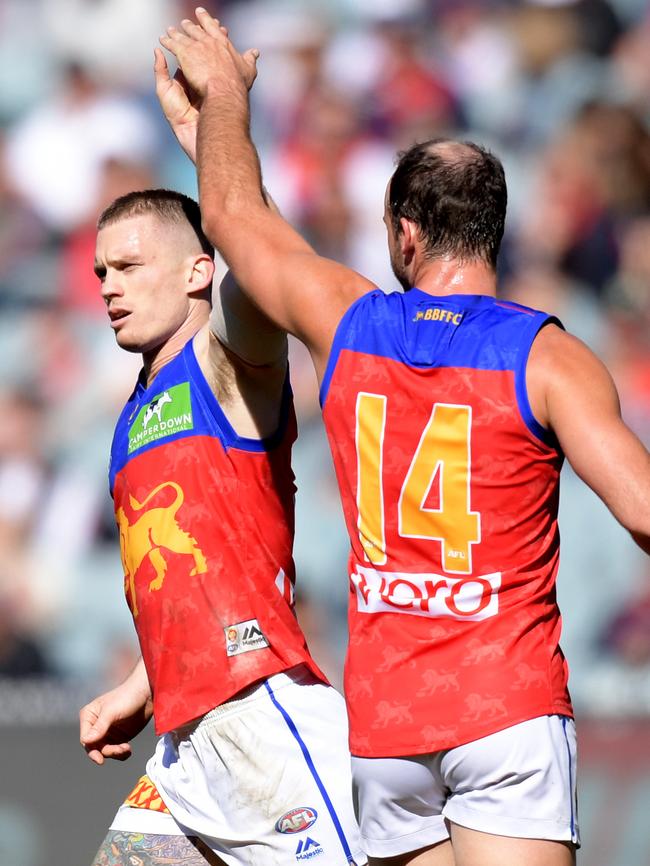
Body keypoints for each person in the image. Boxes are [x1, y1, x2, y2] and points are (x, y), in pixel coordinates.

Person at [159, 10, 650, 866]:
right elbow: (644, 511)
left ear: (406, 234)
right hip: (506, 707)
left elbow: (240, 222)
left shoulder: (349, 321)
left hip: (386, 724)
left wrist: (223, 111)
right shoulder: (550, 357)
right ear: (492, 230)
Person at [78, 71, 366, 866]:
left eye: (130, 266)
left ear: (199, 271)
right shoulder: (134, 413)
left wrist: (218, 135)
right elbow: (191, 578)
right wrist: (139, 688)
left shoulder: (227, 364)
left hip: (263, 723)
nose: (108, 287)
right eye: (102, 271)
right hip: (184, 742)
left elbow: (268, 257)